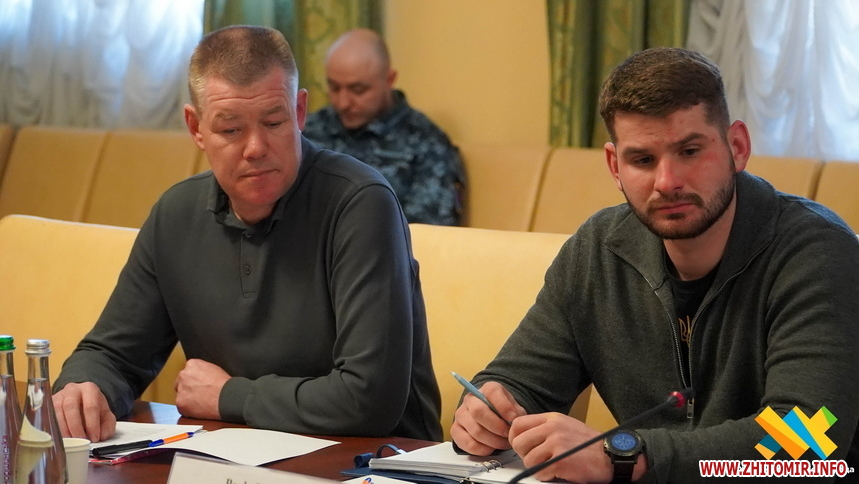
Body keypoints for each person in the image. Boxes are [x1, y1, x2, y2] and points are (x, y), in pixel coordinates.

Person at [451, 47, 859, 482]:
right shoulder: (598, 250)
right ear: (615, 167)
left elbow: (808, 441)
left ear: (737, 147)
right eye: (643, 160)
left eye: (690, 151)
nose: (667, 182)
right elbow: (520, 383)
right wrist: (484, 414)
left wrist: (629, 457)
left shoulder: (819, 251)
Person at [51, 25, 442, 443]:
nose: (256, 147)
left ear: (299, 112)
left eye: (273, 122)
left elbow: (369, 399)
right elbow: (113, 353)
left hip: (374, 460)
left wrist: (228, 396)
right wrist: (84, 387)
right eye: (231, 130)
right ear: (196, 127)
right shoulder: (176, 214)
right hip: (231, 455)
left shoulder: (360, 203)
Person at [302, 28, 465, 226]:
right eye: (334, 88)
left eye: (358, 90)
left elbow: (426, 232)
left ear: (389, 80)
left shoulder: (426, 144)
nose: (343, 102)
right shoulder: (308, 130)